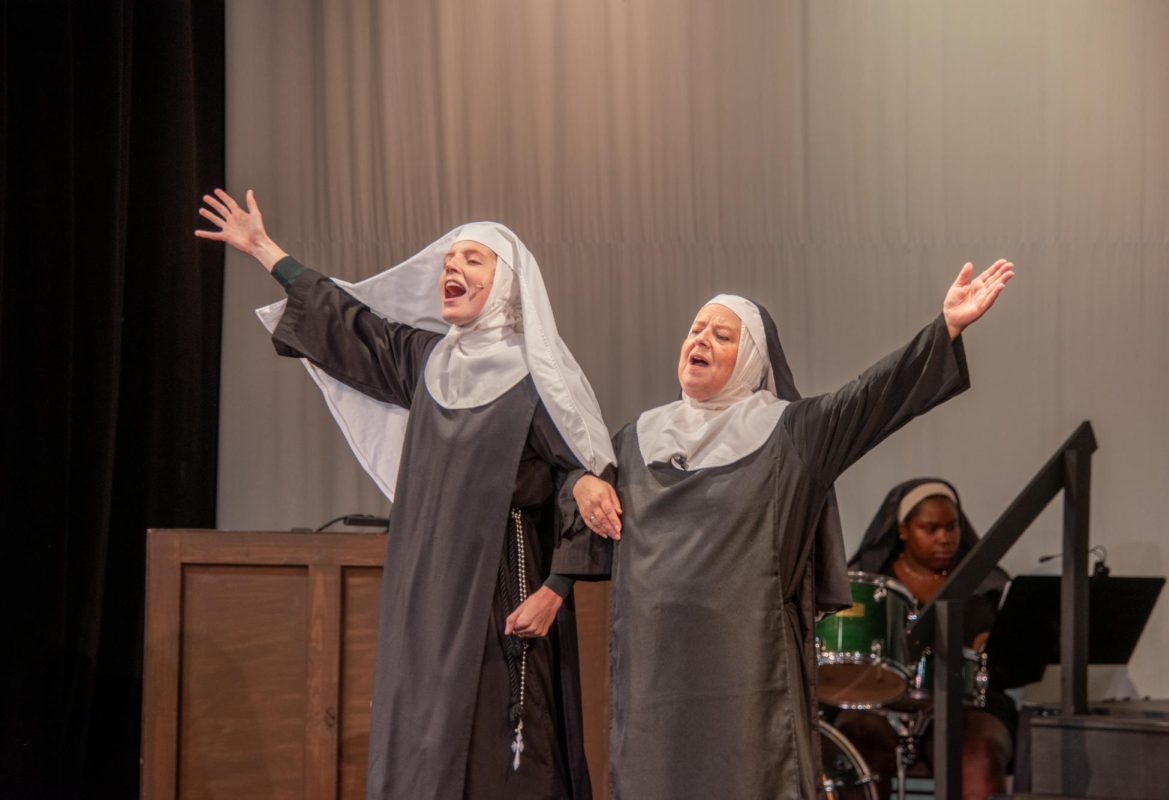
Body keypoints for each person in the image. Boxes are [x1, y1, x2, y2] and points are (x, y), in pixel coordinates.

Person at [196, 189, 614, 800]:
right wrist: (265, 250)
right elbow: (350, 323)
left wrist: (556, 591)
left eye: (473, 259)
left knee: (498, 750)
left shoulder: (537, 380)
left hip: (502, 591)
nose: (452, 268)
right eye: (448, 260)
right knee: (420, 740)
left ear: (507, 283)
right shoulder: (427, 363)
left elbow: (590, 489)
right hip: (424, 592)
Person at [569, 261, 1014, 800]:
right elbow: (575, 497)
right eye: (695, 329)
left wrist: (944, 328)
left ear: (752, 361)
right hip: (653, 671)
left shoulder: (792, 434)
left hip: (747, 669)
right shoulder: (635, 438)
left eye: (721, 334)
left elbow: (871, 398)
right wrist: (579, 483)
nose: (700, 339)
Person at [836, 478, 1015, 800]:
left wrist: (993, 646)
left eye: (951, 527)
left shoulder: (985, 583)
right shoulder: (871, 580)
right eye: (930, 529)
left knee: (979, 752)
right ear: (903, 530)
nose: (944, 538)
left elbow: (1014, 662)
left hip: (967, 704)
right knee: (856, 742)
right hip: (878, 703)